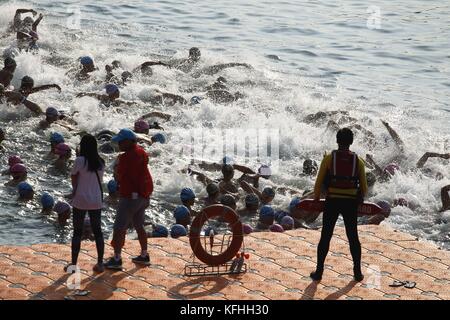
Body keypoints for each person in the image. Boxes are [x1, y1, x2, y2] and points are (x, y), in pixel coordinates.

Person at [310, 128, 368, 282]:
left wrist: (316, 198)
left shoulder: (329, 158)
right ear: (351, 142)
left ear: (337, 141)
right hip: (350, 204)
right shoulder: (359, 161)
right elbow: (364, 188)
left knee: (326, 236)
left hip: (332, 202)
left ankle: (319, 271)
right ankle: (357, 272)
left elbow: (318, 183)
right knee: (353, 237)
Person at [104, 129, 154, 269]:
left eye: (121, 141)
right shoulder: (142, 152)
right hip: (143, 196)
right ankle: (144, 255)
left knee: (119, 227)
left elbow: (118, 176)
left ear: (130, 141)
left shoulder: (126, 157)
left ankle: (117, 258)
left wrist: (116, 167)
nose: (119, 144)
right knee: (139, 225)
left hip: (130, 197)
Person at [65, 134, 105, 273]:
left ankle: (74, 265)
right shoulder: (101, 161)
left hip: (81, 198)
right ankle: (100, 263)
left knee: (77, 232)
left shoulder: (79, 160)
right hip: (96, 199)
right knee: (98, 231)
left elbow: (74, 177)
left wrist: (74, 191)